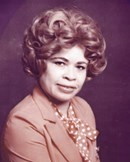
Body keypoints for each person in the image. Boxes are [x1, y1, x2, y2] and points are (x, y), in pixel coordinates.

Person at [2, 8, 107, 162]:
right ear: (39, 62)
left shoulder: (83, 108)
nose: (71, 76)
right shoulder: (22, 122)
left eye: (80, 67)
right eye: (60, 63)